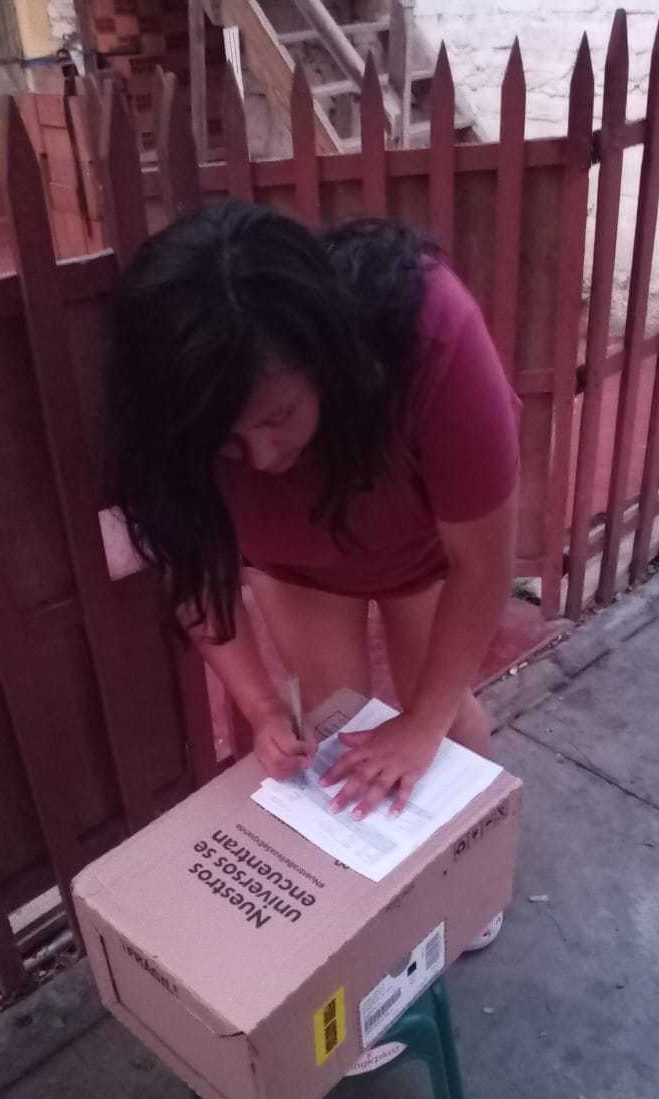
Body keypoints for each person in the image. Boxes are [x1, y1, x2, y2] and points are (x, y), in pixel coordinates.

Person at [106, 200, 519, 945]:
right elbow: (196, 574)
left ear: (326, 358)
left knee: (442, 716)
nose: (263, 459)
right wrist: (264, 710)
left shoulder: (433, 332)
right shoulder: (170, 426)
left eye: (278, 417)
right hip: (295, 562)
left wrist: (422, 724)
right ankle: (371, 906)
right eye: (228, 445)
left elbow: (484, 565)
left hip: (424, 548)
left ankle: (473, 886)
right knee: (340, 724)